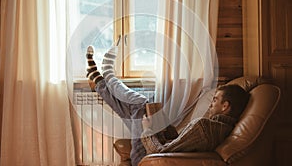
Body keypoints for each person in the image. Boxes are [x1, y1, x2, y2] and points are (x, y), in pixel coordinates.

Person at [85, 45, 250, 166]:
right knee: (137, 109)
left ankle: (105, 75)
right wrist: (163, 124)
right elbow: (178, 143)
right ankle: (100, 79)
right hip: (156, 149)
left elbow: (161, 152)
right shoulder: (221, 129)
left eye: (215, 100)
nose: (211, 103)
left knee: (140, 104)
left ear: (225, 106)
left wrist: (149, 129)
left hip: (146, 156)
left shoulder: (205, 127)